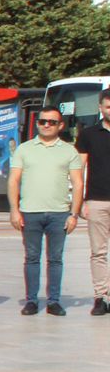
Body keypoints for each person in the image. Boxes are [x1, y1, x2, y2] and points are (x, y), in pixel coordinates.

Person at [8, 105, 84, 316]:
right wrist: (14, 210)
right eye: (42, 121)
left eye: (52, 122)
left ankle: (53, 301)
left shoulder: (69, 150)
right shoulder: (24, 149)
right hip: (30, 212)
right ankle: (31, 300)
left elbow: (78, 183)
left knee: (55, 259)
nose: (46, 125)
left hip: (59, 213)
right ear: (37, 123)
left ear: (60, 125)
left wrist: (74, 214)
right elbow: (14, 180)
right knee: (32, 257)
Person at [77, 92, 110, 315]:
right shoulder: (88, 134)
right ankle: (101, 296)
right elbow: (78, 169)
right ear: (100, 107)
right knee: (98, 252)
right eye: (108, 106)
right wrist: (78, 202)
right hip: (97, 200)